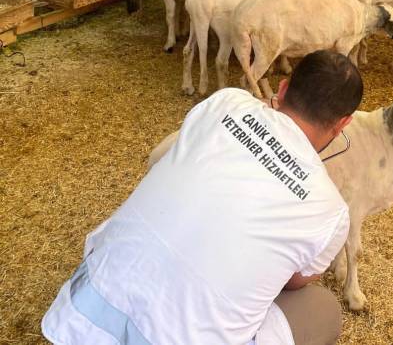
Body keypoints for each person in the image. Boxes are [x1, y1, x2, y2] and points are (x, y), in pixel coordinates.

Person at [42, 50, 364, 345]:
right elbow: (292, 282)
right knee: (322, 308)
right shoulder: (330, 211)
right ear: (341, 124)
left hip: (81, 314)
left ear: (281, 89)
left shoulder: (227, 102)